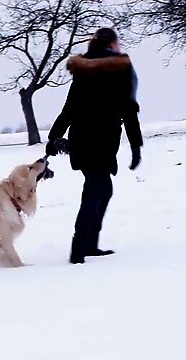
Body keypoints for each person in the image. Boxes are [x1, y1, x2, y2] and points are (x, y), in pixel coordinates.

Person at [45, 27, 144, 264]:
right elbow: (129, 110)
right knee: (95, 190)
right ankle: (79, 250)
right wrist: (135, 145)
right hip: (102, 139)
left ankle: (89, 244)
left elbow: (69, 109)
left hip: (81, 137)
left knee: (102, 189)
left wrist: (54, 136)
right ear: (111, 44)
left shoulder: (83, 71)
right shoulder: (120, 69)